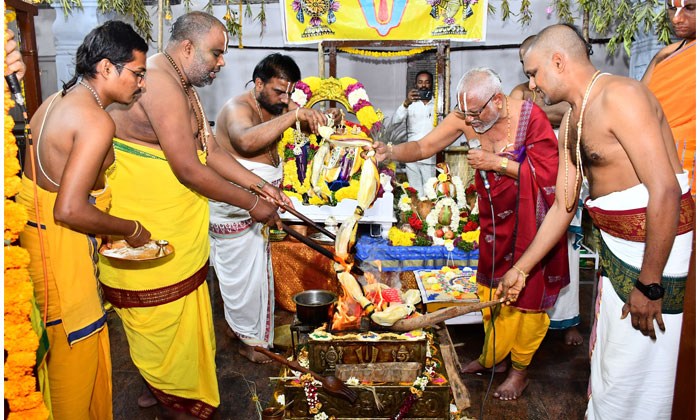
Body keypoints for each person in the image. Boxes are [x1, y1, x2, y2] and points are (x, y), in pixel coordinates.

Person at [502, 24, 693, 420]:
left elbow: (665, 190)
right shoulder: (571, 123)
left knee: (639, 369)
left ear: (559, 61)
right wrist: (521, 269)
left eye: (534, 73)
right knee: (611, 363)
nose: (532, 84)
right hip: (618, 251)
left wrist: (650, 284)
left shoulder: (621, 96)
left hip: (655, 255)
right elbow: (563, 206)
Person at [99, 12, 283, 420]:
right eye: (216, 53)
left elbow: (209, 151)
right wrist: (253, 205)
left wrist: (259, 185)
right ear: (187, 47)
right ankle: (172, 397)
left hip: (173, 225)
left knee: (173, 323)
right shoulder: (160, 82)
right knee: (161, 319)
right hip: (150, 229)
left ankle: (159, 387)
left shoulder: (180, 80)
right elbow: (188, 168)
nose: (222, 62)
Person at [369, 67, 569, 401]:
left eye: (476, 113)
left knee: (527, 299)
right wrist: (388, 151)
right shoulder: (467, 115)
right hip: (494, 223)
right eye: (465, 114)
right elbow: (423, 146)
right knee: (489, 292)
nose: (470, 122)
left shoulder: (529, 118)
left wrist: (495, 163)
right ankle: (495, 357)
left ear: (498, 100)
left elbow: (552, 179)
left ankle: (520, 371)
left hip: (533, 224)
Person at [17, 21, 150, 420]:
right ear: (107, 67)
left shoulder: (53, 102)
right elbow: (69, 209)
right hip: (62, 262)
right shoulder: (95, 120)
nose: (141, 84)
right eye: (138, 73)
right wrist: (129, 228)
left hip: (40, 249)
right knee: (73, 377)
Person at [211, 53, 331, 363]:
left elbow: (306, 129)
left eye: (290, 93)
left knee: (255, 277)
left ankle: (240, 331)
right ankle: (250, 343)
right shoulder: (237, 109)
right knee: (244, 280)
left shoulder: (279, 105)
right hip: (236, 208)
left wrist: (319, 119)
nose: (286, 99)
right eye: (279, 91)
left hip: (263, 205)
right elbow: (245, 141)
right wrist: (294, 114)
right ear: (259, 83)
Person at [512, 33, 584, 346]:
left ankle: (570, 320)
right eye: (523, 67)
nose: (529, 78)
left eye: (532, 68)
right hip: (532, 176)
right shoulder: (521, 92)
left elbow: (566, 111)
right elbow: (517, 119)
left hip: (566, 173)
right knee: (533, 243)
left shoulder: (569, 94)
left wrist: (538, 111)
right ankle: (531, 321)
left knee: (567, 251)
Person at [642, 0, 696, 196]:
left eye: (690, 8)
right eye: (672, 8)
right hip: (661, 158)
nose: (676, 19)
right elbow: (639, 104)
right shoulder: (665, 55)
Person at [392, 71, 436, 196]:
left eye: (427, 82)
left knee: (430, 192)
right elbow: (395, 122)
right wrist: (406, 103)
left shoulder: (438, 105)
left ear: (432, 84)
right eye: (420, 82)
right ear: (416, 84)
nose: (423, 85)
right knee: (415, 192)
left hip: (430, 156)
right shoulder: (410, 104)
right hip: (411, 155)